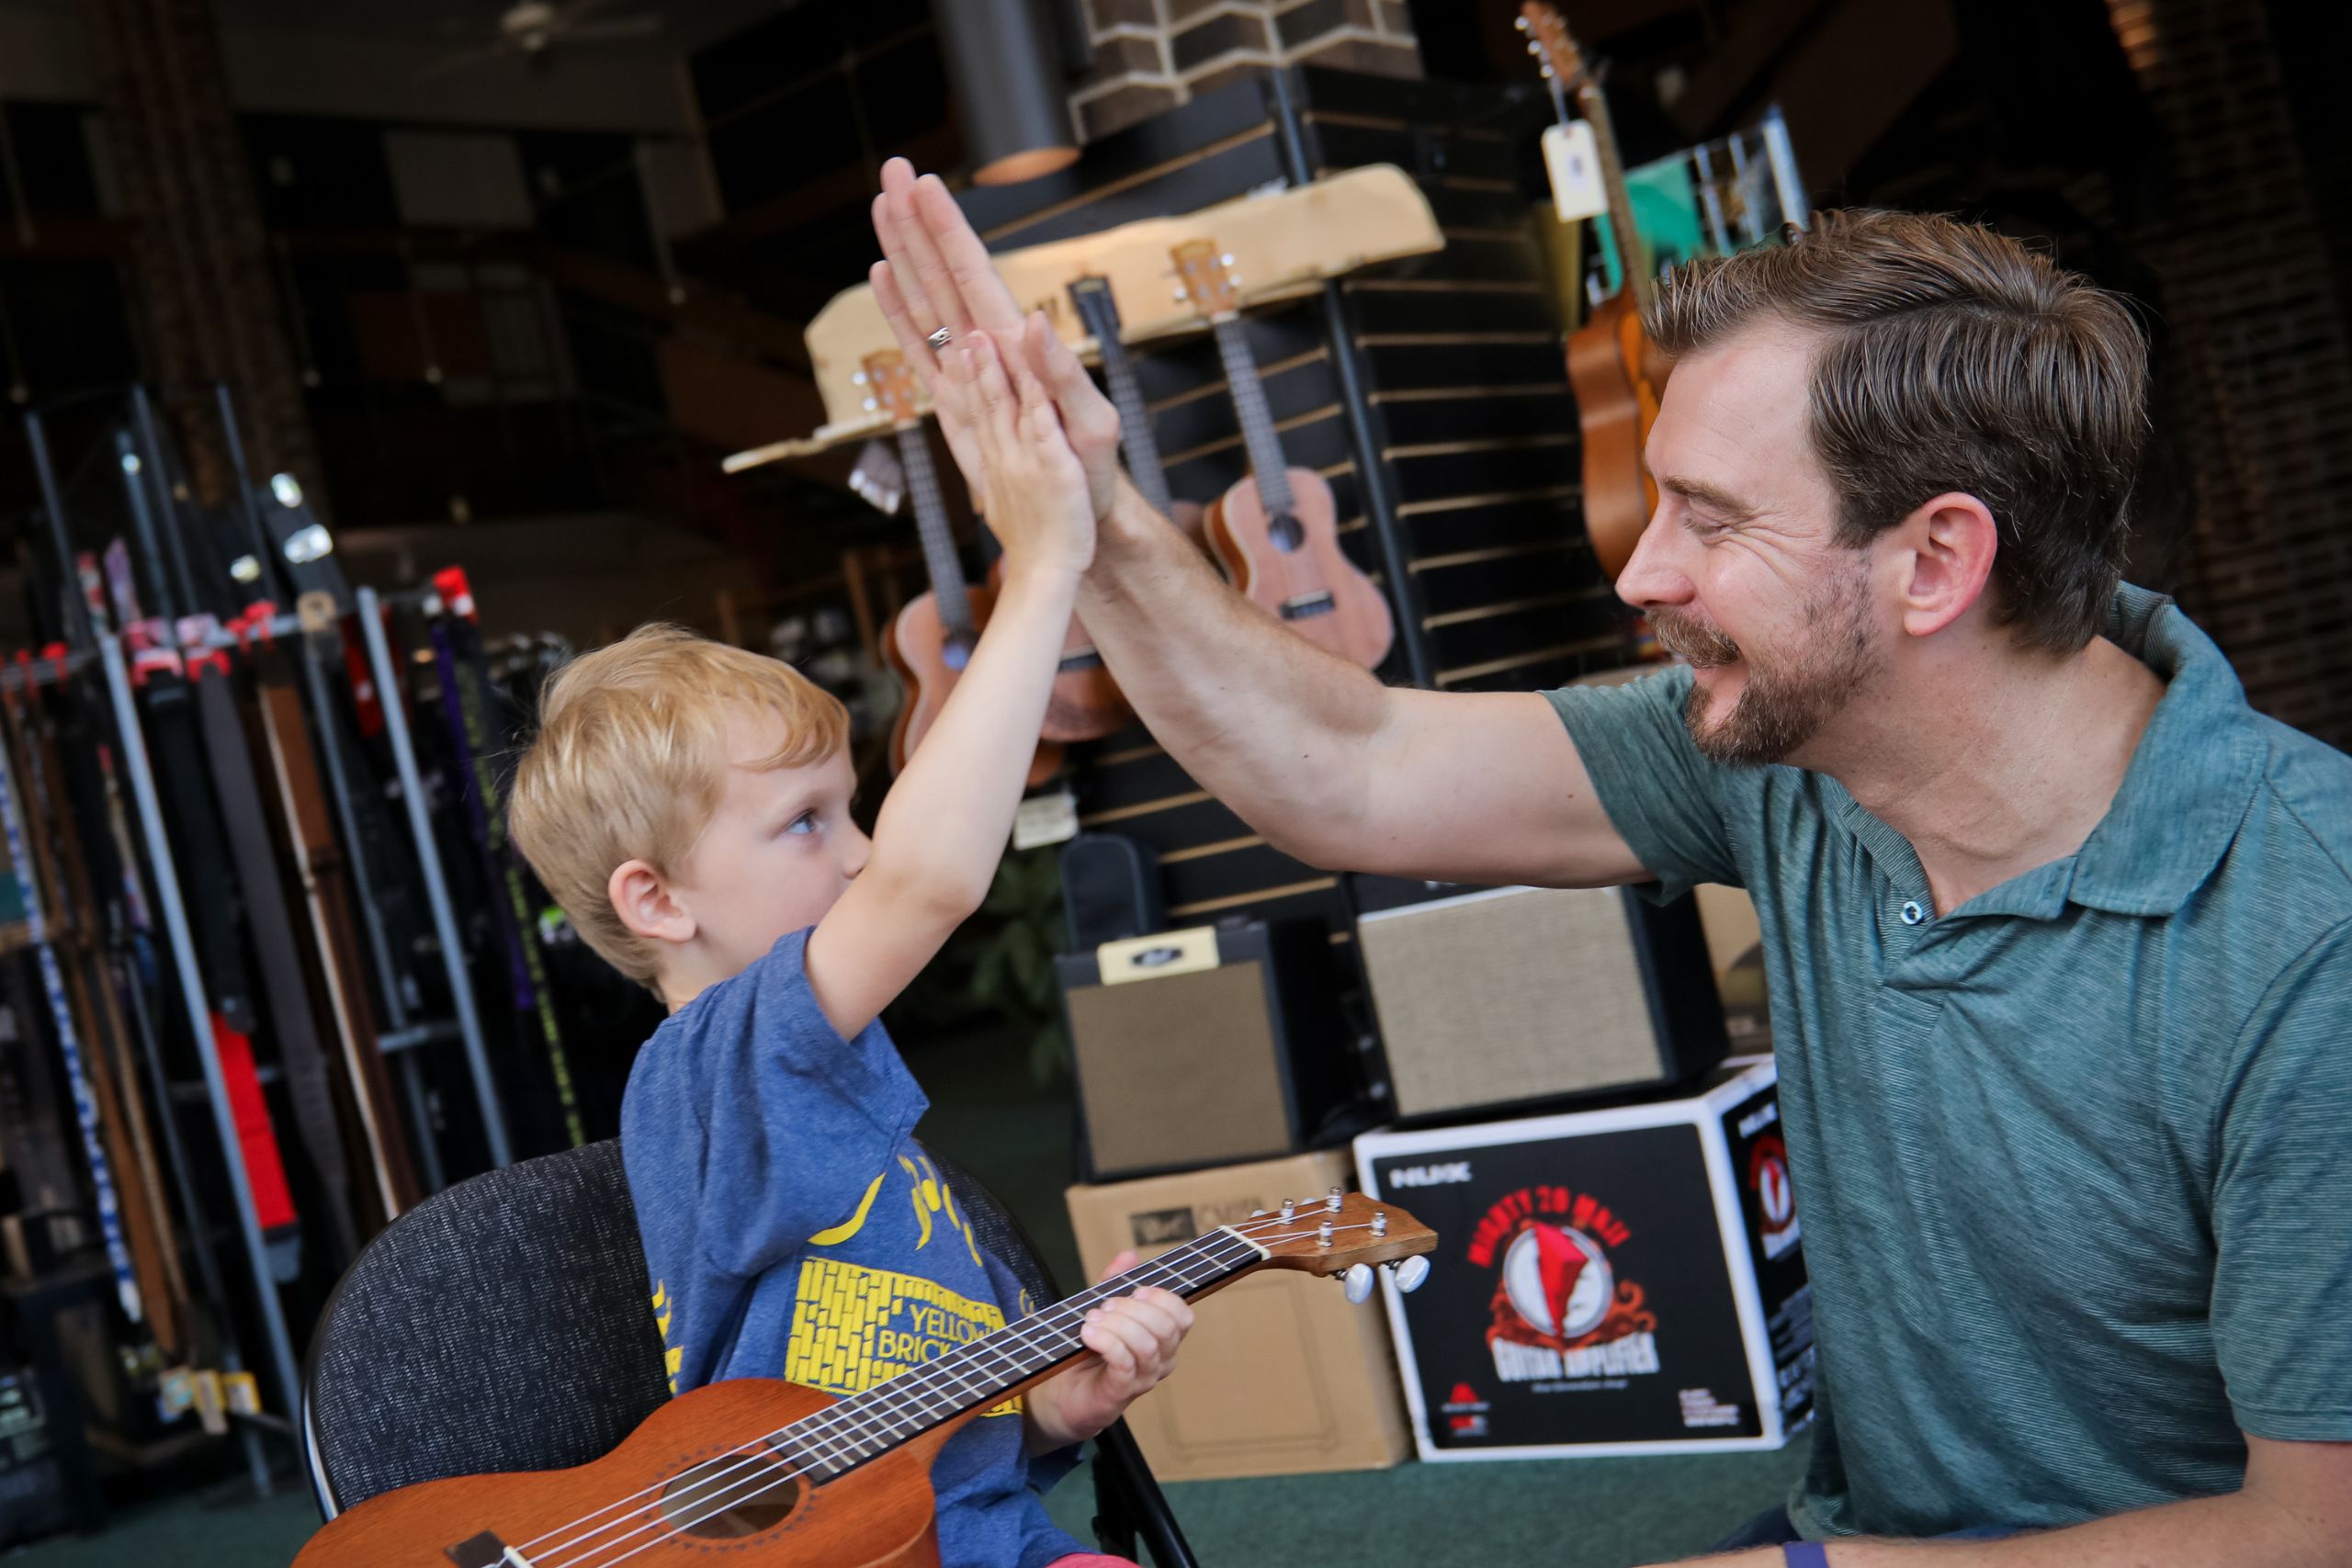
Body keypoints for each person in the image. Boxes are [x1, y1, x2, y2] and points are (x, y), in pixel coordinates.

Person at [865, 157, 2352, 1566]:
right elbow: (1354, 773)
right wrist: (1094, 511)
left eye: (1710, 518)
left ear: (1939, 564)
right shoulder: (1800, 761)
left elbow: (2316, 1534)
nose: (1642, 573)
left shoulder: (2307, 940)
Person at [508, 331, 1193, 1568]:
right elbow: (933, 878)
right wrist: (1041, 567)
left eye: (854, 810)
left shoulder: (830, 1084)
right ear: (659, 903)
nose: (866, 855)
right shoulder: (719, 1063)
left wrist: (1054, 1407)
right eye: (807, 823)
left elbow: (929, 1420)